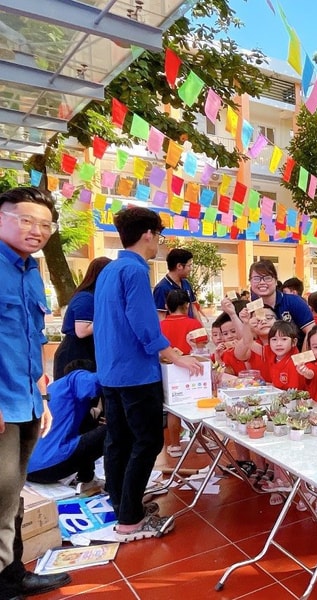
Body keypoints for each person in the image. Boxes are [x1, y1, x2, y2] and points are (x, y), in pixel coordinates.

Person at [94, 206, 202, 542]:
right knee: (147, 441)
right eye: (159, 236)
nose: (159, 244)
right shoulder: (135, 271)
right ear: (147, 235)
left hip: (111, 371)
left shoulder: (109, 270)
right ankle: (130, 519)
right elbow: (144, 322)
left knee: (119, 440)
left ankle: (122, 503)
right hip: (136, 374)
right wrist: (173, 355)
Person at [0, 187, 71, 600]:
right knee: (1, 498)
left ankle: (13, 577)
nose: (37, 230)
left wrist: (40, 397)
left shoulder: (31, 271)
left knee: (13, 496)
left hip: (25, 400)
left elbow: (28, 341)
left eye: (45, 224)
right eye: (26, 219)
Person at [27, 360, 106, 494]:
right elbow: (100, 381)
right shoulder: (75, 378)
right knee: (114, 429)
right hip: (49, 465)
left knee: (88, 425)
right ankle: (106, 484)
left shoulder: (53, 389)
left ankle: (87, 478)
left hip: (28, 470)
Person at [159, 289, 205, 458]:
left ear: (166, 306)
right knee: (198, 403)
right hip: (192, 368)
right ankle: (201, 442)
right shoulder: (194, 324)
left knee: (173, 408)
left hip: (168, 370)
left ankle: (175, 445)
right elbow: (202, 347)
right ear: (186, 306)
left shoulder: (160, 325)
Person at [53, 257, 111, 380]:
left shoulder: (93, 297)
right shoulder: (86, 298)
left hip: (85, 353)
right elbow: (82, 331)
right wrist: (107, 318)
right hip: (74, 356)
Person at [247, 259, 314, 347]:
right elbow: (250, 340)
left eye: (267, 278)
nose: (262, 282)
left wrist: (301, 358)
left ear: (275, 281)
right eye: (256, 279)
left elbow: (311, 332)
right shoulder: (252, 308)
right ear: (250, 282)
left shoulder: (294, 302)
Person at [153, 247, 206, 321]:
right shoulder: (161, 288)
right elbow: (161, 317)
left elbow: (193, 308)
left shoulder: (186, 283)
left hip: (189, 329)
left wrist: (201, 330)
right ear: (179, 266)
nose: (191, 269)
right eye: (189, 265)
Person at [266, 321, 302, 391]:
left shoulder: (297, 361)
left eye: (284, 339)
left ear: (294, 342)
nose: (278, 343)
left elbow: (294, 392)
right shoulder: (272, 355)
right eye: (274, 339)